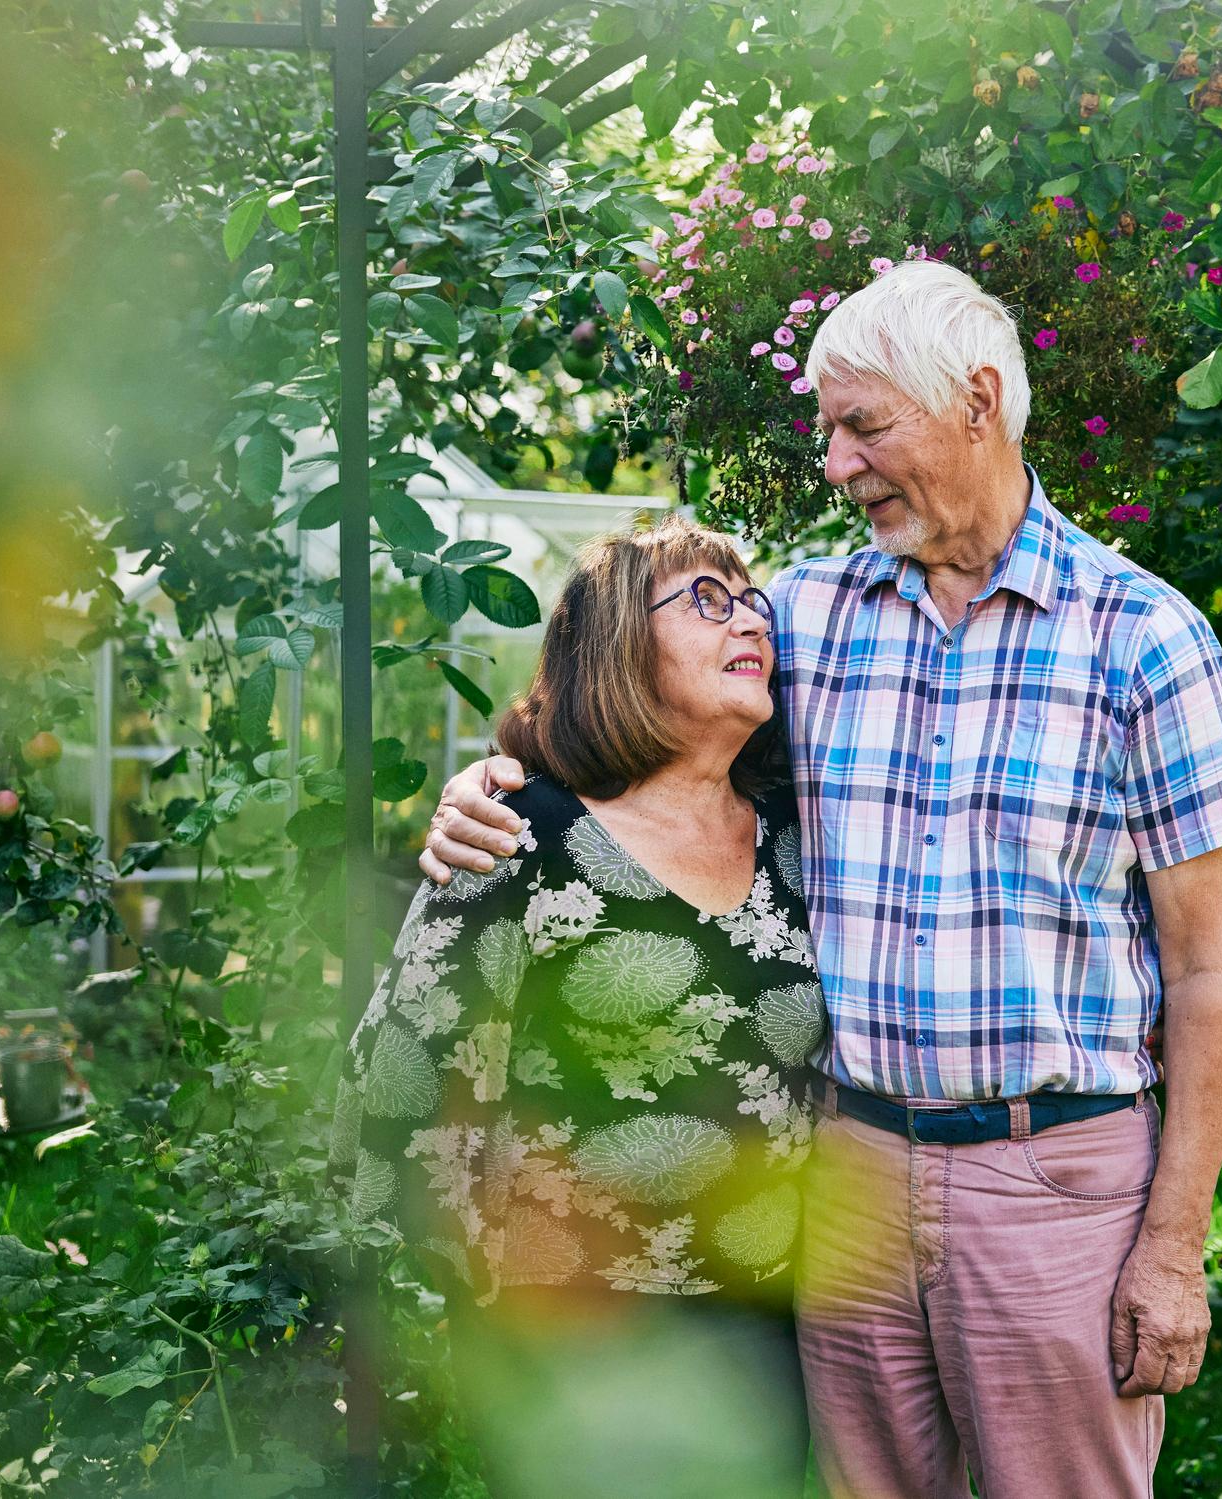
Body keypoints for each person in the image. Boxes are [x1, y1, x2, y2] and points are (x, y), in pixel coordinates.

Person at [422, 258, 1222, 1499]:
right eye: (827, 429)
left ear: (977, 402)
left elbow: (1206, 970)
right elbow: (638, 739)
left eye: (863, 424)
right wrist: (489, 785)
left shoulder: (1145, 639)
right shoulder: (806, 617)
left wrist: (1174, 1244)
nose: (833, 462)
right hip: (848, 1168)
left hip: (1053, 1178)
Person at [342, 518, 818, 1499]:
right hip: (568, 1336)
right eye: (705, 596)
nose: (749, 619)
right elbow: (397, 1082)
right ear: (615, 646)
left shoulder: (798, 843)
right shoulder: (519, 836)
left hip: (763, 1340)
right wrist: (392, 1344)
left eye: (751, 597)